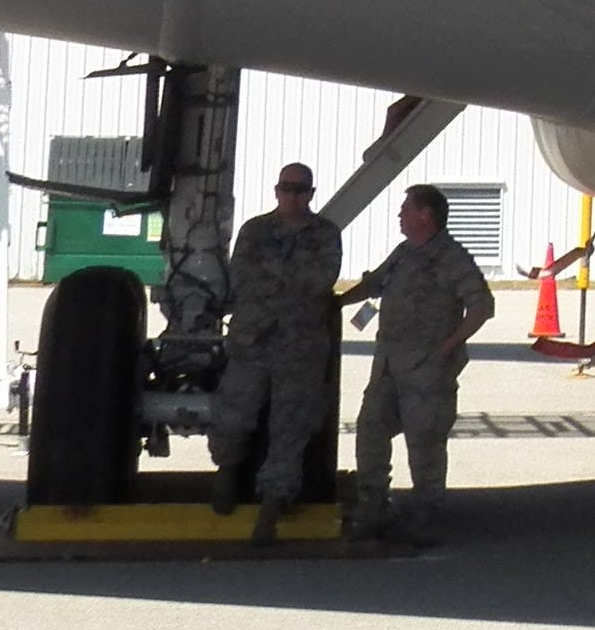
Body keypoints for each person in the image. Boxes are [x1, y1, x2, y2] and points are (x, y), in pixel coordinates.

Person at [338, 182, 497, 545]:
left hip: (427, 370)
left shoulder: (451, 258)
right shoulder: (404, 253)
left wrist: (449, 346)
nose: (400, 215)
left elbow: (481, 306)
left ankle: (427, 513)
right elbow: (374, 285)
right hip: (389, 366)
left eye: (406, 208)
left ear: (426, 215)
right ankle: (374, 504)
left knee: (424, 441)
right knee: (371, 429)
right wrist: (335, 304)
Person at [207, 161, 344, 539]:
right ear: (276, 191)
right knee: (234, 413)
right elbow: (241, 276)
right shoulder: (255, 229)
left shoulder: (325, 233)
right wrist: (288, 279)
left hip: (300, 347)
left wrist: (274, 276)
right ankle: (227, 472)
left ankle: (273, 501)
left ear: (311, 194)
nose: (293, 195)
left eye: (300, 189)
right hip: (253, 341)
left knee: (291, 425)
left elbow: (321, 280)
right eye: (287, 188)